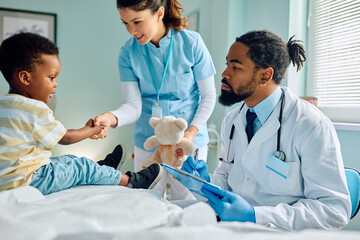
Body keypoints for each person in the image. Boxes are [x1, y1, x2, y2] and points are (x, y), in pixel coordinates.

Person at [181, 30, 351, 230]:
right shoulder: (232, 121)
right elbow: (228, 179)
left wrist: (255, 215)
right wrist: (204, 182)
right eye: (227, 64)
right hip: (234, 228)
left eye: (235, 67)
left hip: (280, 232)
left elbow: (334, 210)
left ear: (265, 75)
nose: (225, 74)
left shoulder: (311, 125)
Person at [0, 32, 163, 195]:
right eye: (51, 78)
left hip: (10, 180)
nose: (55, 84)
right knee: (81, 167)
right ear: (25, 78)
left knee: (68, 160)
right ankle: (132, 181)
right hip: (31, 180)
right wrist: (90, 130)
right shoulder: (34, 108)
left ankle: (101, 170)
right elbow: (65, 138)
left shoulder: (4, 104)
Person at [92, 0, 216, 200]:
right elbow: (133, 105)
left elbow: (208, 95)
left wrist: (191, 133)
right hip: (148, 141)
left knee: (186, 203)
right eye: (125, 23)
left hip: (187, 139)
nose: (132, 30)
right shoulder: (127, 53)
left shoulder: (192, 43)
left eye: (137, 22)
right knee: (146, 201)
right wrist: (111, 117)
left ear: (159, 13)